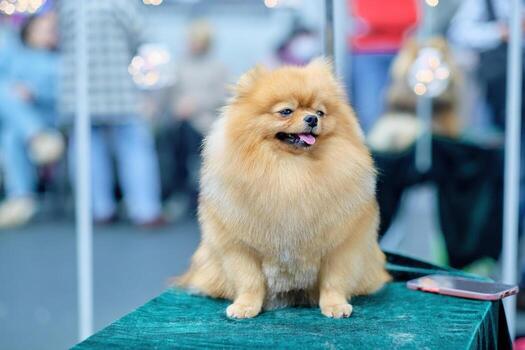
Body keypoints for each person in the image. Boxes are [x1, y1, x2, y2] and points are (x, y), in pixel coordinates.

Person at [59, 0, 163, 227]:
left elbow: (60, 41)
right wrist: (151, 90)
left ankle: (99, 209)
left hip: (80, 92)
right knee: (135, 148)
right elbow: (145, 41)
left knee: (87, 150)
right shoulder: (121, 4)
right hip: (121, 91)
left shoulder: (70, 5)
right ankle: (145, 211)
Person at [0, 12, 64, 228]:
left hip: (48, 120)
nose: (48, 33)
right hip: (20, 120)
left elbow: (63, 97)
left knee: (11, 135)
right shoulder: (14, 53)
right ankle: (36, 137)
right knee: (5, 96)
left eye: (52, 30)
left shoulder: (59, 61)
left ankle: (20, 196)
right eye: (43, 29)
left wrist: (35, 92)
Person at [165, 20, 227, 213]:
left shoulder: (218, 67)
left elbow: (222, 96)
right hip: (180, 122)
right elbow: (169, 94)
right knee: (174, 136)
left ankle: (196, 194)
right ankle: (179, 192)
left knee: (191, 136)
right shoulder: (179, 65)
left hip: (205, 122)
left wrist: (195, 104)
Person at [347, 0, 419, 132]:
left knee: (408, 112)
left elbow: (412, 18)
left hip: (403, 50)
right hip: (367, 51)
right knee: (371, 113)